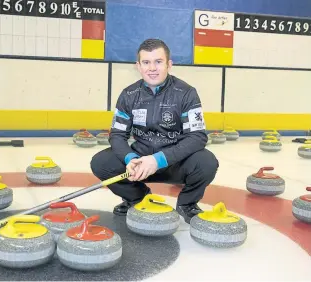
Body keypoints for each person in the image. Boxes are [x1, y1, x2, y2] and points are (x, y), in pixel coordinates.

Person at [90, 38, 219, 224]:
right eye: (146, 62)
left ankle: (187, 204)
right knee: (101, 162)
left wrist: (158, 160)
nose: (152, 68)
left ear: (169, 64)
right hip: (140, 162)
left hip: (175, 162)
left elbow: (197, 137)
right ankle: (137, 198)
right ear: (138, 66)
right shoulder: (128, 95)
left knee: (207, 162)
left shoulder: (186, 93)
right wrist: (130, 159)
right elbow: (118, 135)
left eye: (158, 62)